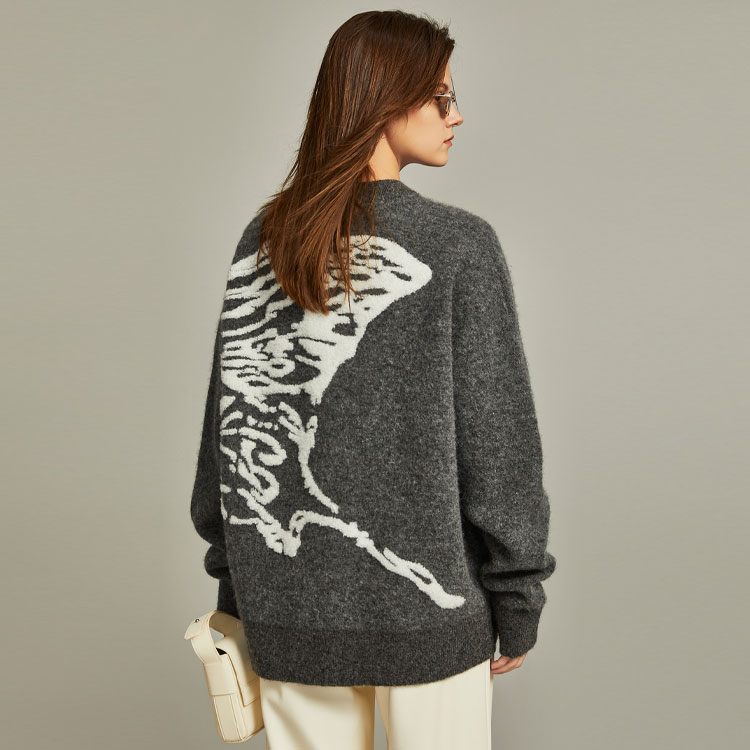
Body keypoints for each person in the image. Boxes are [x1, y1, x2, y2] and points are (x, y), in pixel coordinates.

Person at [190, 9, 557, 750]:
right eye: (441, 97)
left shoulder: (266, 238)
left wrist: (241, 581)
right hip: (429, 616)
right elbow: (500, 448)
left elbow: (231, 427)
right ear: (386, 102)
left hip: (287, 607)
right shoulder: (459, 245)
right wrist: (518, 597)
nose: (457, 115)